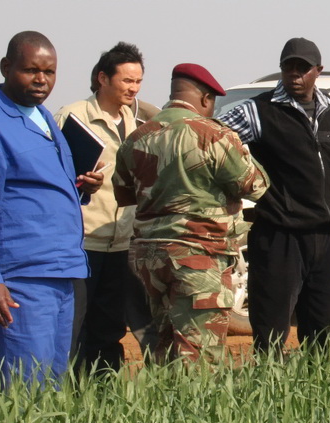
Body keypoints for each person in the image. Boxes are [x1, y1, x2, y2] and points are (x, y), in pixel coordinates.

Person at [0, 31, 102, 385]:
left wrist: (81, 187)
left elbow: (37, 188)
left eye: (49, 72)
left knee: (52, 386)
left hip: (61, 272)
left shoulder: (44, 118)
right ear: (6, 67)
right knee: (23, 389)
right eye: (31, 70)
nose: (41, 80)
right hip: (19, 278)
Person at [113, 64, 269, 363]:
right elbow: (256, 185)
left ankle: (163, 394)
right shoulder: (214, 135)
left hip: (150, 258)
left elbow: (124, 195)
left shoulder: (136, 138)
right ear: (206, 98)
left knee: (163, 350)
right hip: (198, 257)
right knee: (200, 358)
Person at [219, 37, 330, 352]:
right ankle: (270, 379)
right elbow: (214, 142)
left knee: (329, 330)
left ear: (318, 70)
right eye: (288, 67)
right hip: (279, 235)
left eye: (302, 68)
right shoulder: (258, 110)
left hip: (327, 235)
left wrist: (328, 178)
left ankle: (325, 379)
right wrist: (249, 181)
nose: (295, 74)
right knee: (271, 326)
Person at [55, 42, 155, 373]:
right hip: (82, 242)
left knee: (110, 326)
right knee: (74, 326)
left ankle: (103, 391)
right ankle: (67, 392)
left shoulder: (135, 121)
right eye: (127, 80)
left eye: (138, 81)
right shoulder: (72, 117)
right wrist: (80, 181)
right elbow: (51, 177)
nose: (134, 88)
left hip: (121, 243)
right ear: (102, 78)